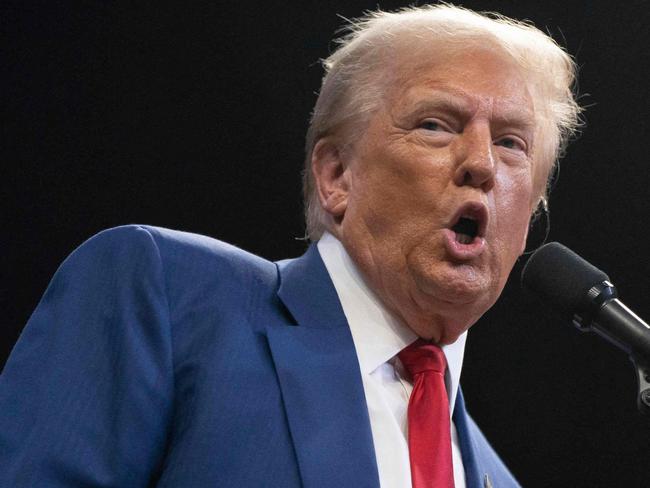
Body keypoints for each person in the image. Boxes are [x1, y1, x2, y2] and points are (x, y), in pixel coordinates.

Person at [0, 4, 581, 487]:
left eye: (511, 143)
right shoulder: (166, 298)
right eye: (435, 124)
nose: (481, 163)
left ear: (527, 218)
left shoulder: (497, 479)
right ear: (336, 177)